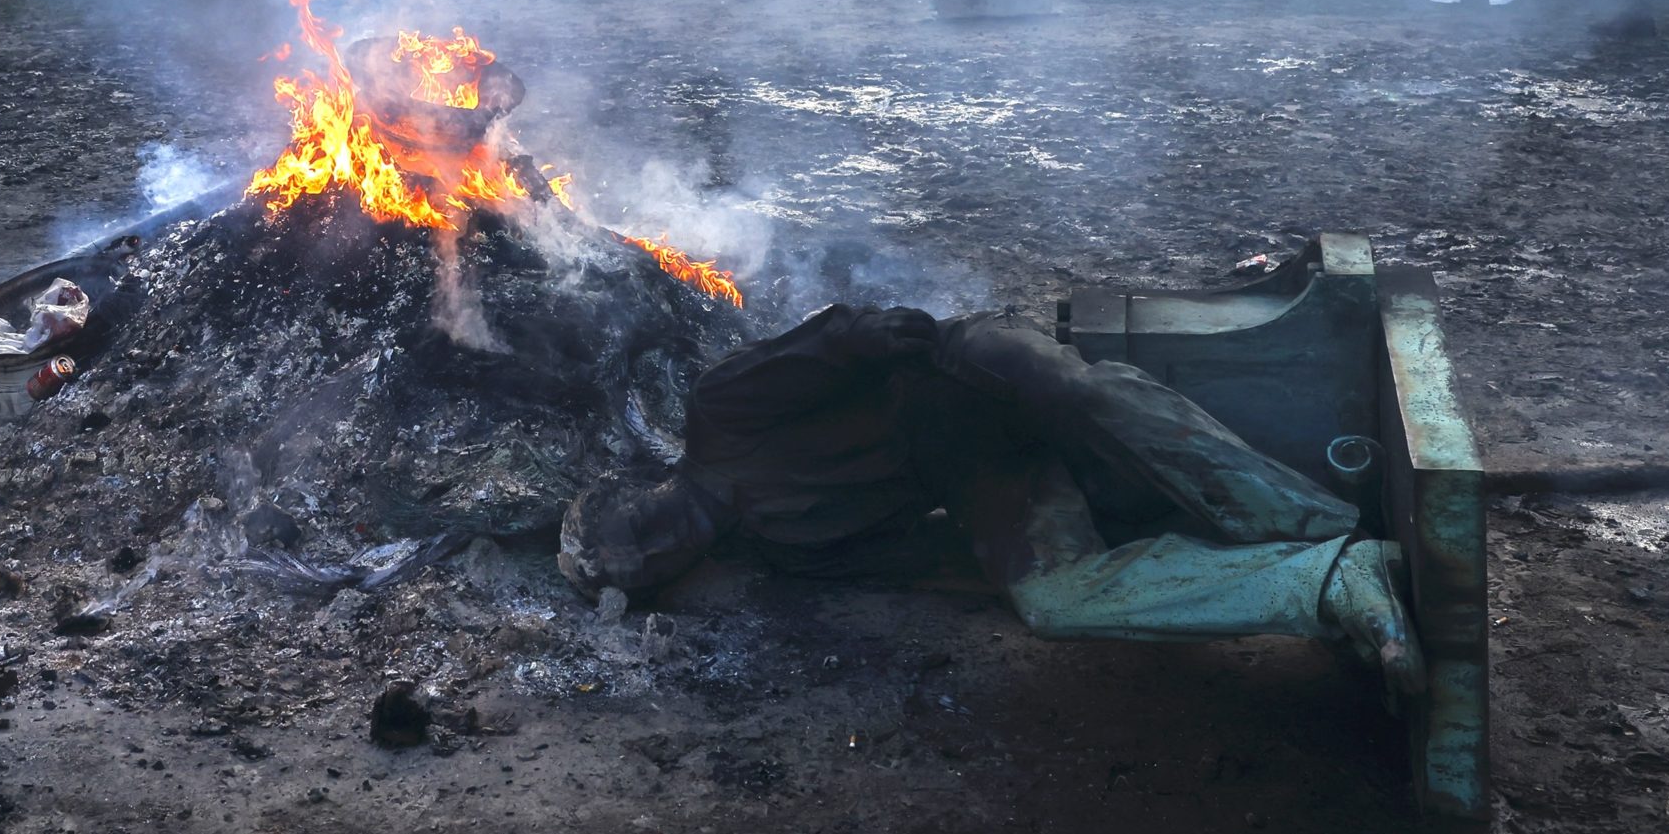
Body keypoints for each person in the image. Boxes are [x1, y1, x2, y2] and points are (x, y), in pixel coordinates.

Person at [555, 305, 1424, 697]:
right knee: (1055, 601)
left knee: (1087, 400)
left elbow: (846, 337)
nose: (665, 542)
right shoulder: (787, 547)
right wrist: (1028, 560)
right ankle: (1332, 578)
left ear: (645, 496)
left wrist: (915, 343)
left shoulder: (720, 411)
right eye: (654, 563)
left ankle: (1321, 522)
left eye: (642, 529)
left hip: (973, 374)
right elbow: (940, 559)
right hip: (987, 480)